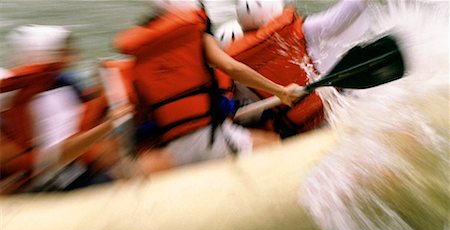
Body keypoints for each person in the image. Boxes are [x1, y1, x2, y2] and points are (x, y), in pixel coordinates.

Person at [113, 3, 300, 174]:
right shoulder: (195, 37)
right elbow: (232, 68)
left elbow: (135, 114)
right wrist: (280, 92)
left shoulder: (140, 58)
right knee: (275, 143)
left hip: (175, 152)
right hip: (212, 139)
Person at [206, 0, 370, 138]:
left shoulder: (236, 72)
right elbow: (348, 12)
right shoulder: (301, 31)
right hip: (340, 109)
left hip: (298, 131)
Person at [0, 25, 132, 194]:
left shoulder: (58, 86)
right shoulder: (41, 96)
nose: (72, 57)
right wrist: (108, 125)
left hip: (50, 174)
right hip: (49, 181)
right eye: (63, 51)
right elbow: (54, 157)